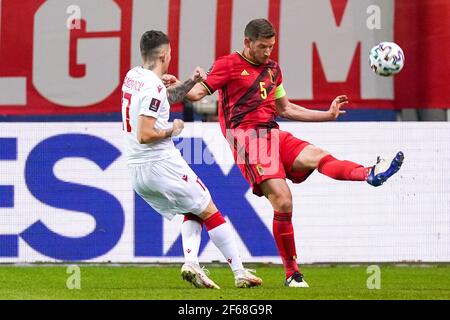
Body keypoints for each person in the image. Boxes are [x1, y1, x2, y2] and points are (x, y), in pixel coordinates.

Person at [167, 18, 404, 287]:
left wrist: (327, 115)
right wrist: (182, 85)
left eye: (271, 47)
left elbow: (286, 108)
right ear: (247, 42)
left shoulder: (273, 70)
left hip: (272, 133)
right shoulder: (228, 65)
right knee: (284, 201)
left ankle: (369, 173)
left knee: (317, 155)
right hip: (247, 138)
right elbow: (197, 93)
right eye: (262, 47)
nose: (267, 52)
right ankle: (293, 273)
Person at [121, 30, 262, 289]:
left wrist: (188, 82)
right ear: (164, 54)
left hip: (137, 170)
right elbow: (145, 133)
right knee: (210, 209)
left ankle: (192, 263)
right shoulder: (153, 86)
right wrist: (171, 130)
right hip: (160, 163)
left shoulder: (133, 76)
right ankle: (240, 272)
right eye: (170, 53)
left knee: (193, 208)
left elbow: (164, 97)